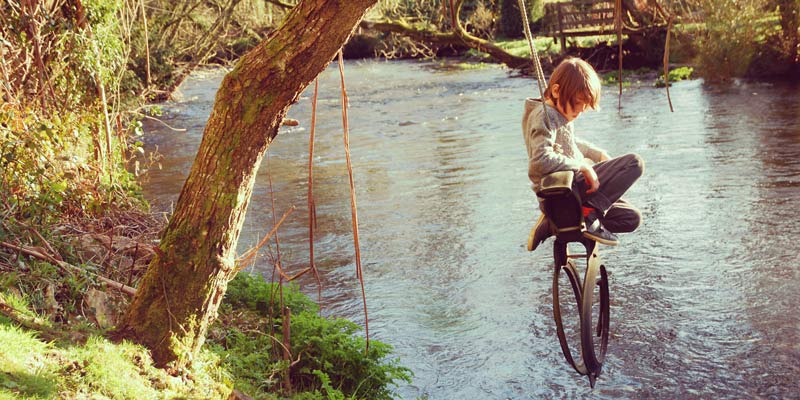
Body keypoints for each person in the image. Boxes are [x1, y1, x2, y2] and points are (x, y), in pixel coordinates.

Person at [523, 57, 644, 251]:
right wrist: (582, 166)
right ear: (556, 91)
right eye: (579, 103)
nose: (581, 110)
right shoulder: (543, 115)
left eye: (585, 105)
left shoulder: (558, 113)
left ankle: (556, 223)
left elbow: (569, 142)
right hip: (564, 193)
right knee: (634, 163)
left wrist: (597, 154)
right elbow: (539, 160)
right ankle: (587, 214)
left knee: (632, 218)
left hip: (573, 195)